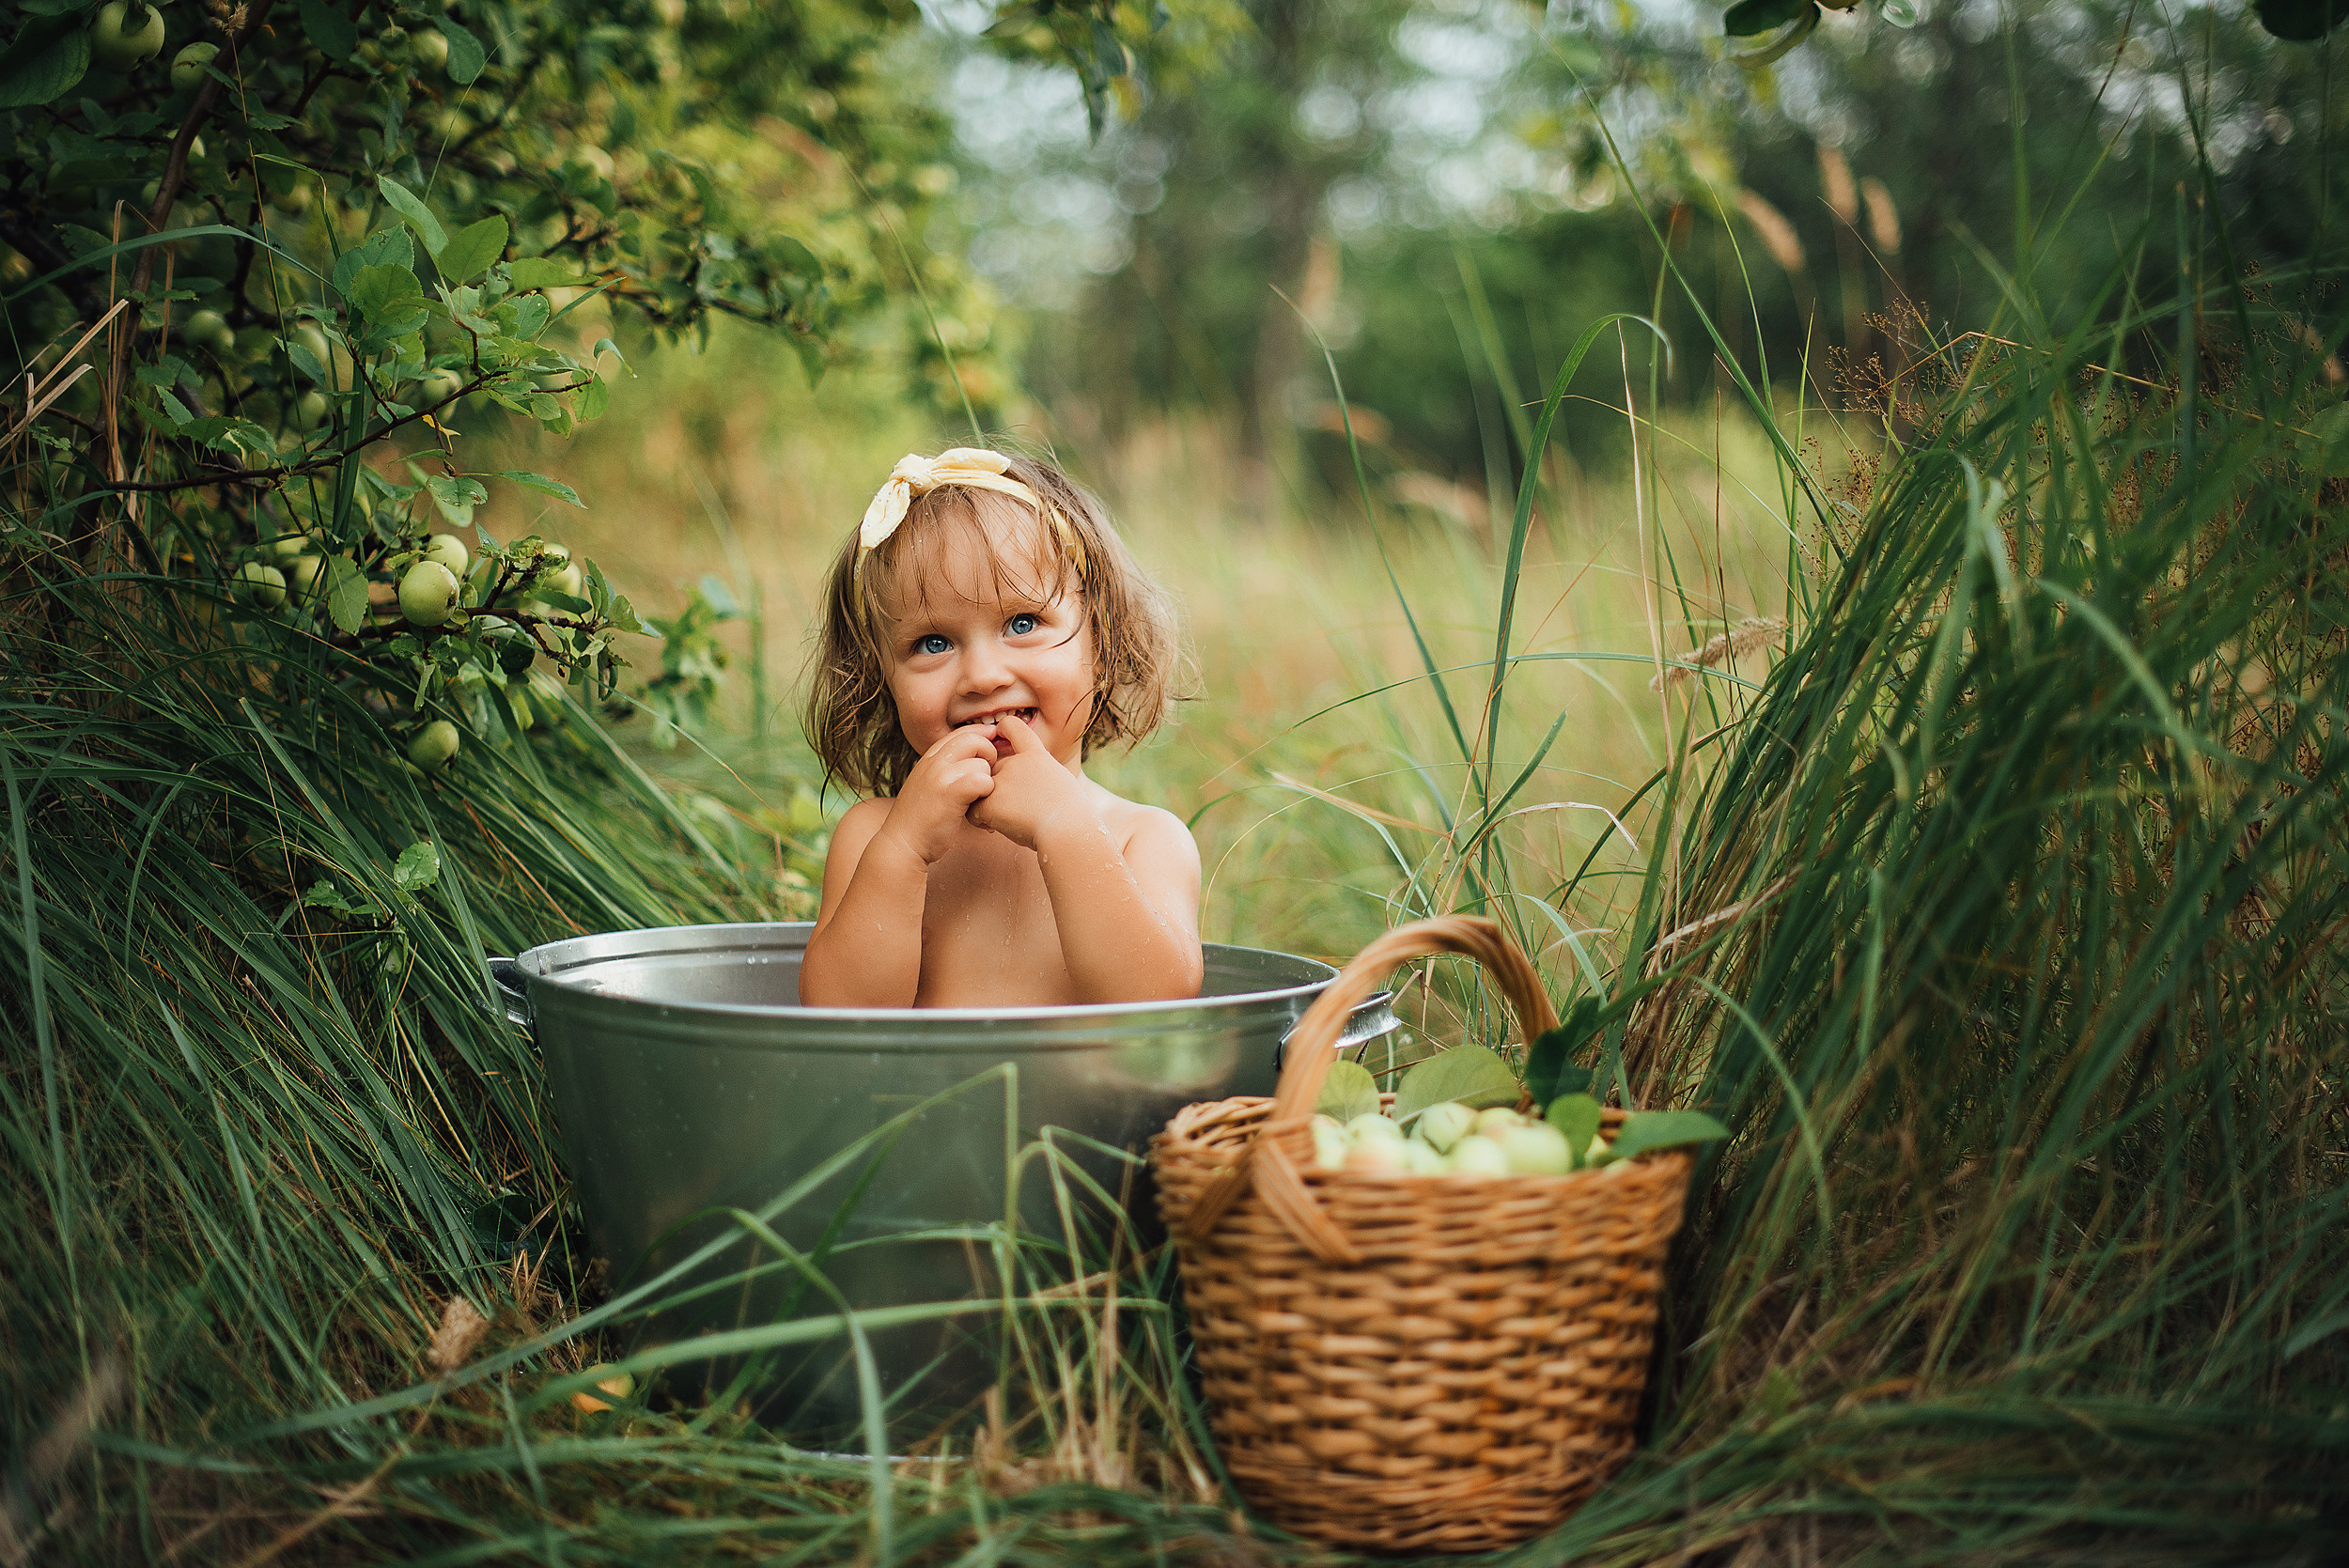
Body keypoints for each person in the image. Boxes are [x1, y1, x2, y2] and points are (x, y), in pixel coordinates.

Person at [797, 446, 1203, 1008]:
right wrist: (904, 851)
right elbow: (836, 1020)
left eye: (1022, 622)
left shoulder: (1145, 840)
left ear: (1102, 643)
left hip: (1086, 1101)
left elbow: (1159, 1006)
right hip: (919, 1101)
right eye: (933, 643)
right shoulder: (874, 835)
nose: (984, 677)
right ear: (881, 679)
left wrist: (1064, 826)